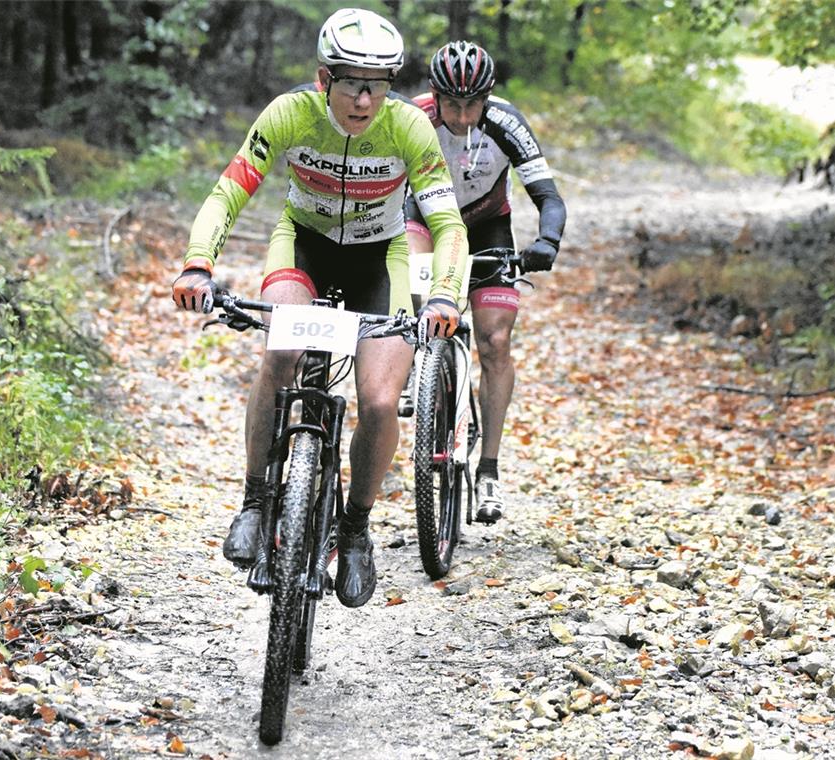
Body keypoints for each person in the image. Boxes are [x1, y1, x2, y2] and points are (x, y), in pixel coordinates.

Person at [172, 9, 468, 608]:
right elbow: (229, 191)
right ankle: (256, 500)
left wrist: (444, 294)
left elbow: (447, 223)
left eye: (379, 83)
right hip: (302, 245)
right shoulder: (290, 114)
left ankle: (355, 529)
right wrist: (200, 261)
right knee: (281, 353)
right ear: (322, 79)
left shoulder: (408, 127)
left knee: (382, 400)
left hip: (379, 260)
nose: (364, 98)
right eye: (352, 82)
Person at [405, 41, 566, 525]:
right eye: (450, 102)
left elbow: (549, 197)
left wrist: (548, 241)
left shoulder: (505, 123)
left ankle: (489, 468)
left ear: (488, 97)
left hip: (488, 226)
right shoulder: (413, 118)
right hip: (425, 220)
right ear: (435, 95)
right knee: (418, 285)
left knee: (495, 340)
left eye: (472, 102)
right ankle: (420, 365)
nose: (461, 113)